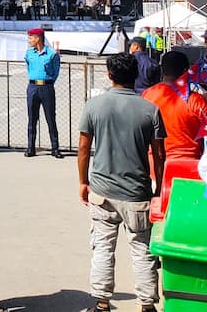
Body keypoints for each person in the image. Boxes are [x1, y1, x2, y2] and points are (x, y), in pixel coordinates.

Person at [78, 52, 166, 312]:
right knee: (142, 250)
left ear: (109, 75)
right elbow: (159, 155)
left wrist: (83, 182)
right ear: (135, 76)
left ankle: (102, 301)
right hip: (137, 192)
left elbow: (84, 148)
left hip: (102, 190)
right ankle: (147, 303)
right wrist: (159, 189)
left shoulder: (94, 106)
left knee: (103, 247)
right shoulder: (150, 109)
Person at [140, 50, 207, 161]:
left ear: (162, 70)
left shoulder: (147, 95)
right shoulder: (196, 101)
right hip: (187, 166)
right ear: (186, 71)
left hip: (154, 164)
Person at [24, 28, 62, 158]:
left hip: (46, 87)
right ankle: (31, 147)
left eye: (31, 38)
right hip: (33, 86)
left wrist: (49, 80)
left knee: (50, 118)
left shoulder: (51, 54)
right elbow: (29, 67)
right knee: (32, 118)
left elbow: (56, 71)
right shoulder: (29, 53)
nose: (29, 40)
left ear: (38, 38)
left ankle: (55, 148)